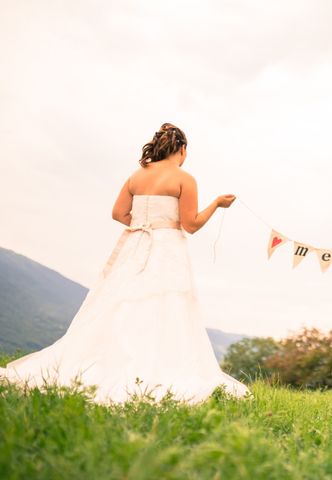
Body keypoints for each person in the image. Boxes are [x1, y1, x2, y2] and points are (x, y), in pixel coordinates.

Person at [0, 123, 250, 403]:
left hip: (135, 244)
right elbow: (190, 225)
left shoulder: (136, 176)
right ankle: (152, 368)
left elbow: (119, 213)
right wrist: (216, 204)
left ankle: (104, 361)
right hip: (166, 249)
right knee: (165, 306)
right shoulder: (184, 178)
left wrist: (145, 225)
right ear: (182, 149)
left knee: (120, 301)